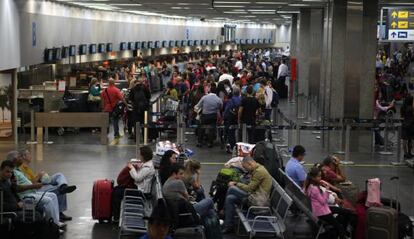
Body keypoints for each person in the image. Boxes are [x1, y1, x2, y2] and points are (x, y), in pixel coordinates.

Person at [6, 151, 66, 229]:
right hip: (26, 195)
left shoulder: (18, 170)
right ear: (14, 160)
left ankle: (56, 221)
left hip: (32, 190)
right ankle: (52, 226)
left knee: (53, 195)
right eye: (19, 157)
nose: (21, 158)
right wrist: (34, 185)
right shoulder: (13, 172)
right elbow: (17, 188)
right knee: (48, 201)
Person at [18, 148, 76, 221]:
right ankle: (59, 211)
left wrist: (40, 176)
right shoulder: (21, 169)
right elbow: (30, 184)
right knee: (59, 189)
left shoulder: (27, 168)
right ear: (24, 157)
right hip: (36, 189)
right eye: (29, 154)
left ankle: (63, 186)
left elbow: (32, 180)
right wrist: (39, 176)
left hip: (38, 184)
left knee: (59, 176)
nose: (31, 156)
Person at [222, 156, 272, 233]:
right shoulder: (257, 168)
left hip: (258, 202)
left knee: (232, 188)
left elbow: (249, 189)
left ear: (250, 164)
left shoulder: (259, 171)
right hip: (254, 196)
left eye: (246, 167)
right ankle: (229, 225)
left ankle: (223, 211)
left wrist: (236, 183)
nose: (246, 169)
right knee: (230, 198)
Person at [304, 167, 346, 239]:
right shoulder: (314, 189)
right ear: (313, 178)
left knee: (344, 212)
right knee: (339, 226)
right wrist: (326, 190)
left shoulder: (309, 186)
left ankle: (340, 233)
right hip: (323, 212)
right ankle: (342, 235)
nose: (320, 178)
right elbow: (323, 201)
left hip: (321, 210)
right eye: (319, 176)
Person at [224, 86, 241, 153]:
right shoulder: (241, 99)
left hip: (231, 119)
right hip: (239, 119)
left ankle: (232, 146)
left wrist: (224, 118)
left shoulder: (231, 100)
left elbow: (227, 110)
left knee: (231, 133)